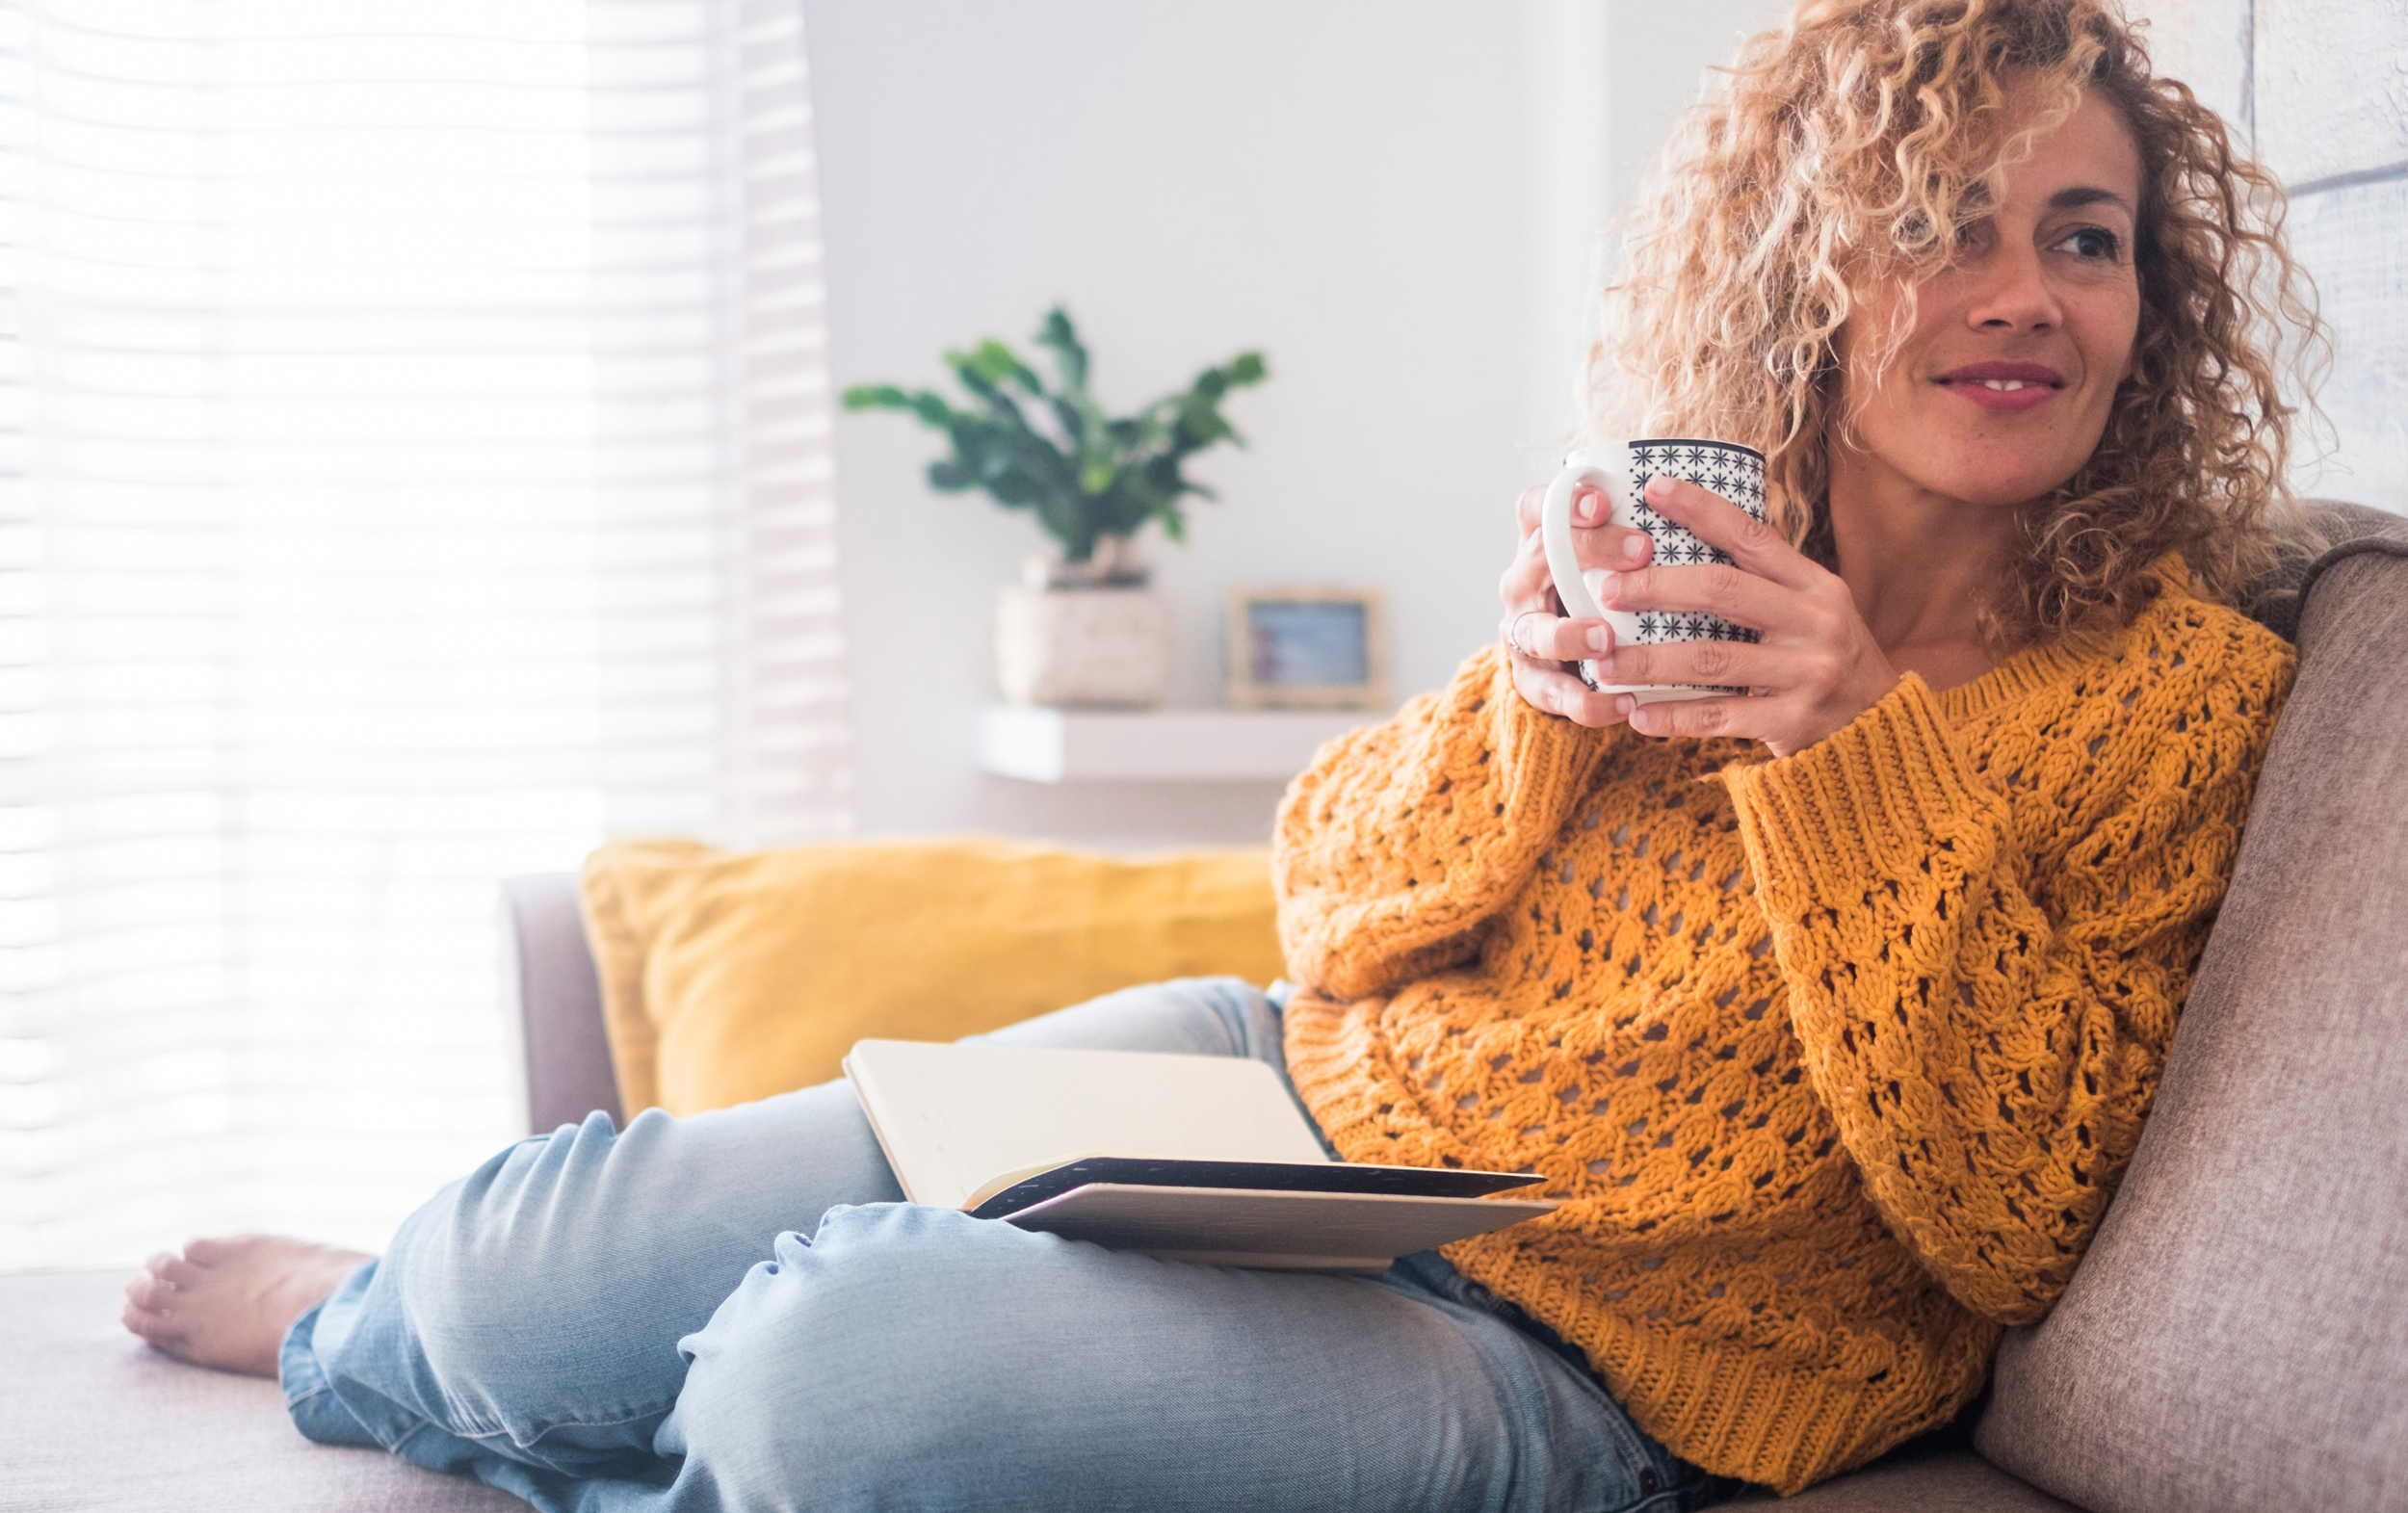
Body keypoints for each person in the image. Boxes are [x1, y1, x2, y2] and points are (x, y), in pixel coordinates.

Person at [120, 1, 2314, 1507]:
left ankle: (621, 1401)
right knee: (524, 1250)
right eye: (1940, 223)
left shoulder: (2179, 692)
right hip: (1267, 1091)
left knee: (838, 1364)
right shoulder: (1686, 546)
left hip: (1585, 1351)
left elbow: (2016, 1213)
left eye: (2082, 237)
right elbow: (1334, 905)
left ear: (2151, 310)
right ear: (1806, 276)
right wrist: (1516, 701)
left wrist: (1843, 748)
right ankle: (379, 1324)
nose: (2020, 289)